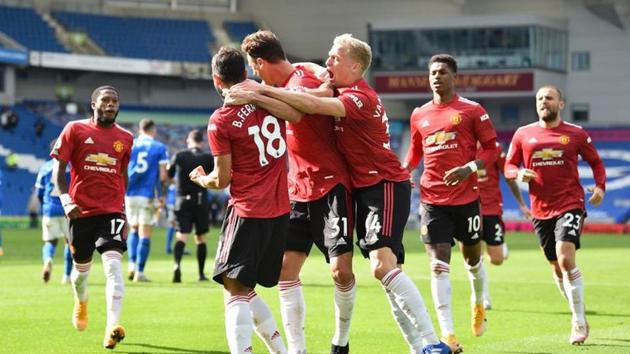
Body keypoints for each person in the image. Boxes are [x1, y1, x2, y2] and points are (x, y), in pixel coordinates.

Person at [228, 35, 449, 354]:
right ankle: (301, 349)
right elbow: (314, 95)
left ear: (355, 66)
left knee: (369, 268)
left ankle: (426, 342)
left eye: (334, 58)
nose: (326, 63)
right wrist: (258, 94)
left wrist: (256, 91)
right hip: (338, 187)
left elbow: (306, 108)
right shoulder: (334, 84)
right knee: (364, 269)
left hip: (375, 183)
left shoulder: (359, 96)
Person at [241, 30, 356, 354]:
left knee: (341, 271)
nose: (254, 73)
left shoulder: (301, 84)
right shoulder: (300, 76)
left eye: (254, 67)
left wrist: (255, 92)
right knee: (285, 270)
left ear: (261, 62)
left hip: (331, 185)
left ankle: (341, 341)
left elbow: (299, 110)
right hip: (298, 190)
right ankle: (297, 350)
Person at [190, 46, 303, 354]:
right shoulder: (270, 100)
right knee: (240, 286)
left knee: (235, 290)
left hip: (248, 209)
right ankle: (282, 349)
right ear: (246, 72)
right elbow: (296, 115)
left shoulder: (221, 119)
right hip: (280, 210)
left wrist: (200, 177)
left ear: (217, 78)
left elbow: (222, 179)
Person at [403, 54, 498, 353]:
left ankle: (478, 301)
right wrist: (405, 170)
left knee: (472, 260)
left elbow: (492, 150)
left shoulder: (472, 111)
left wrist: (469, 168)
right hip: (432, 199)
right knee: (438, 263)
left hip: (467, 199)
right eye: (432, 72)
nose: (436, 77)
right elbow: (416, 151)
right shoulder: (419, 114)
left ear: (454, 77)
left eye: (442, 72)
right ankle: (448, 333)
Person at [504, 85, 606, 345]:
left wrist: (601, 188)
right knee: (556, 266)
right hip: (540, 209)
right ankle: (577, 313)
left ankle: (579, 322)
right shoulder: (523, 134)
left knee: (565, 257)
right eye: (539, 98)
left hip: (570, 203)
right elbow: (508, 165)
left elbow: (596, 162)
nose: (543, 102)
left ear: (561, 104)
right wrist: (518, 174)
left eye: (549, 98)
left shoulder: (575, 134)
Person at [51, 85, 133, 349]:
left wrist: (124, 209)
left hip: (111, 212)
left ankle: (112, 328)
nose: (111, 104)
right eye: (105, 100)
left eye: (115, 101)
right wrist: (66, 200)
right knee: (80, 274)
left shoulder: (126, 138)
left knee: (113, 268)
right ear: (94, 104)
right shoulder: (74, 129)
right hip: (80, 212)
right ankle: (81, 301)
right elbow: (59, 170)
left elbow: (123, 175)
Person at [475, 141, 531, 309]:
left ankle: (499, 245)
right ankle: (482, 298)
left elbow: (509, 176)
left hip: (491, 208)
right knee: (475, 257)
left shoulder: (494, 148)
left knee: (497, 260)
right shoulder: (461, 145)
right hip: (469, 207)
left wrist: (521, 203)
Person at [125, 118, 169, 282]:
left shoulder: (131, 144)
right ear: (153, 130)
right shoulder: (159, 147)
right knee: (145, 233)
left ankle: (130, 264)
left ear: (139, 129)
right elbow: (163, 175)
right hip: (147, 194)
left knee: (133, 229)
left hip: (129, 193)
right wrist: (162, 194)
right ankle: (140, 272)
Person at [167, 129, 213, 283]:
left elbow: (170, 174)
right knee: (200, 238)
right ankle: (200, 274)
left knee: (182, 235)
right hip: (201, 201)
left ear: (188, 140)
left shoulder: (179, 155)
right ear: (202, 142)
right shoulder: (208, 158)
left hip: (182, 200)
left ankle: (176, 265)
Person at [35, 139, 73, 284]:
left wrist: (44, 206)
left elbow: (39, 192)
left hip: (49, 209)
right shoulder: (70, 167)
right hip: (67, 209)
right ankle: (67, 276)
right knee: (69, 242)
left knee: (50, 242)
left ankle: (48, 260)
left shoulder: (45, 167)